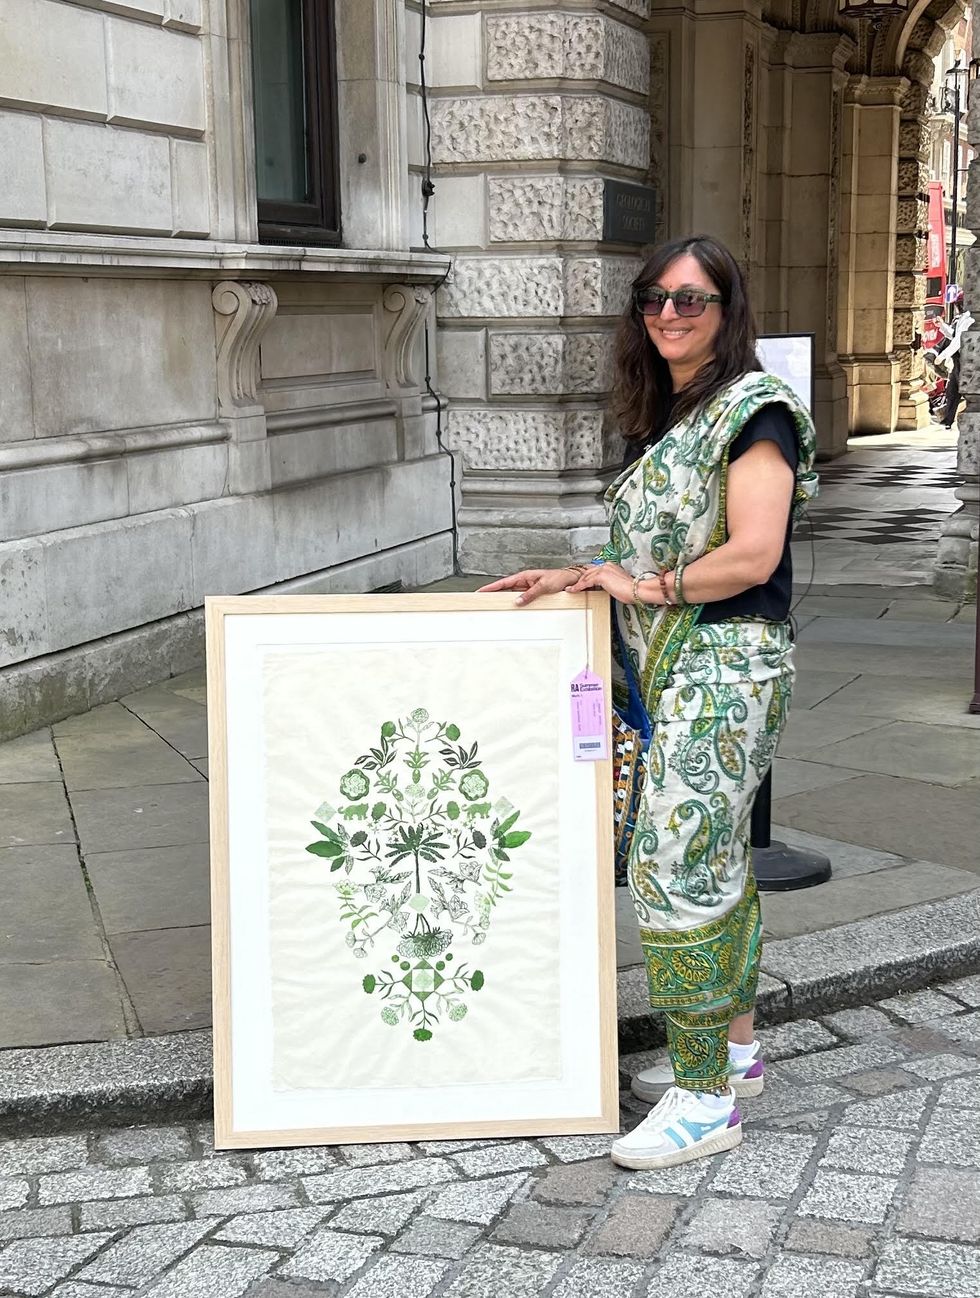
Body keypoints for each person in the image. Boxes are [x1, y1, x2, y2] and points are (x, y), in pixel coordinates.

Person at [480, 234, 817, 1170]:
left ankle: (704, 1098)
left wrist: (645, 588)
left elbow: (751, 554)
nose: (669, 314)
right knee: (710, 858)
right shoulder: (672, 412)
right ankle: (737, 1053)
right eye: (653, 298)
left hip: (727, 664)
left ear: (727, 310)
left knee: (673, 868)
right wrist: (582, 577)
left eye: (691, 299)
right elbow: (641, 564)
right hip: (680, 667)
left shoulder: (756, 412)